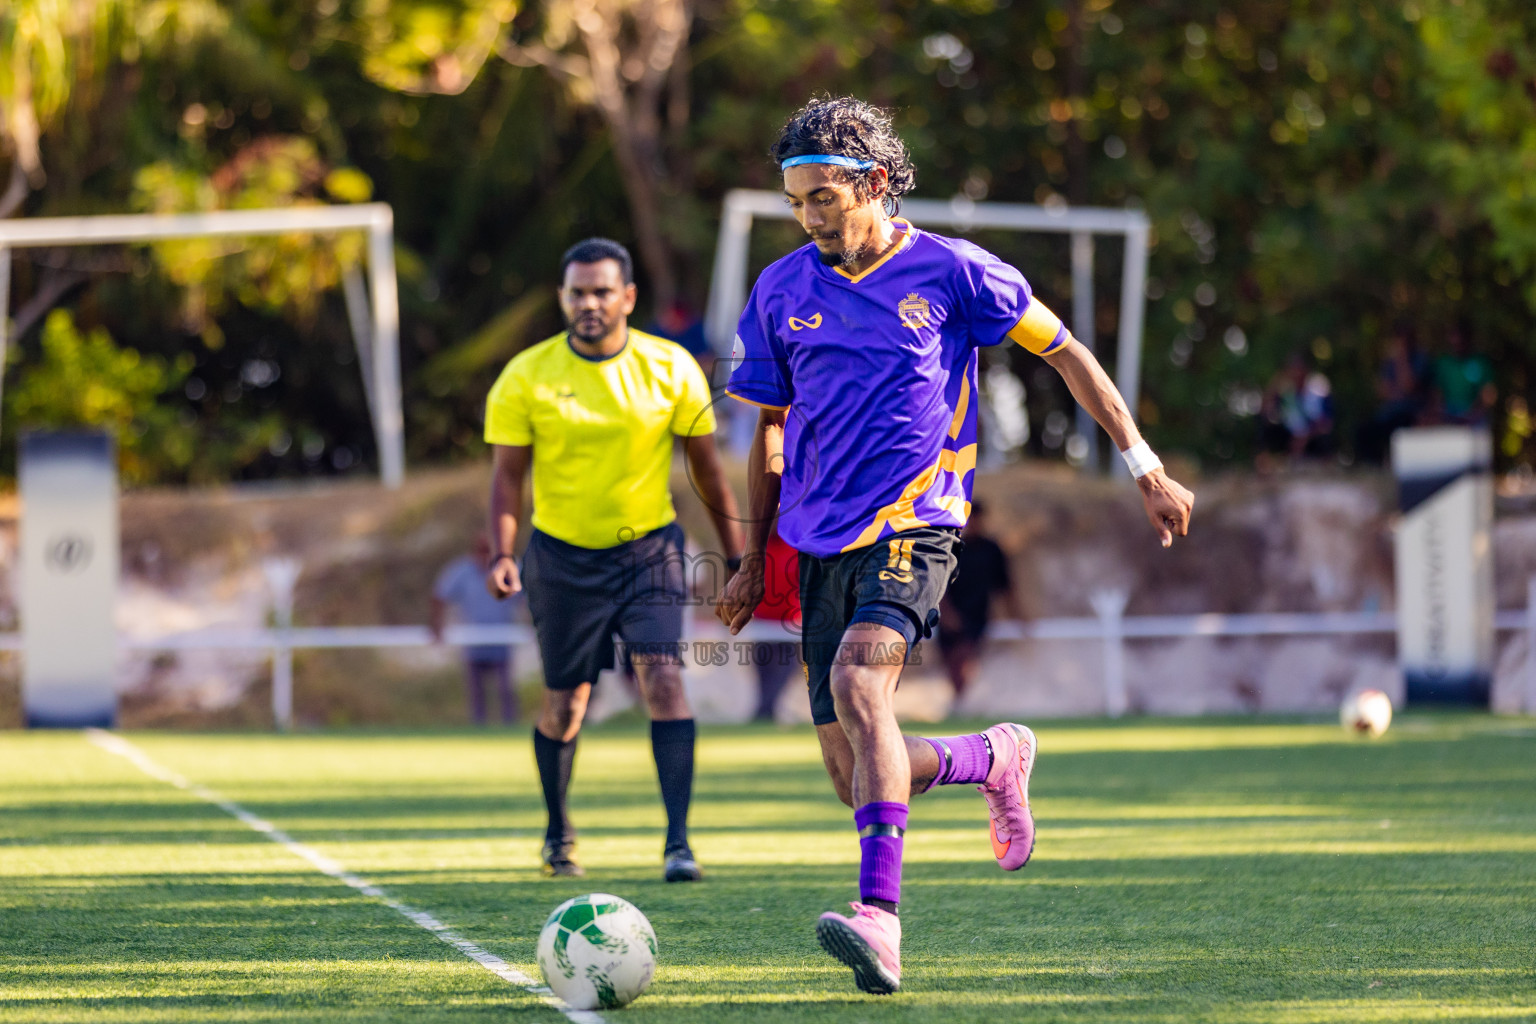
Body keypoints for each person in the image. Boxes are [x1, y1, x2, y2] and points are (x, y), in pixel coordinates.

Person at [715, 97, 1194, 995]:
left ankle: (880, 923)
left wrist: (1144, 467)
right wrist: (752, 554)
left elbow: (1067, 354)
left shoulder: (956, 272)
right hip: (815, 539)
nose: (812, 216)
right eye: (798, 202)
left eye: (826, 197)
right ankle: (988, 757)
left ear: (877, 184)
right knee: (850, 769)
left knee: (863, 685)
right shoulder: (780, 290)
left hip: (919, 524)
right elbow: (771, 431)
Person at [484, 237, 744, 881]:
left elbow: (708, 472)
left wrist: (740, 556)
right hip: (561, 560)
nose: (589, 303)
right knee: (565, 705)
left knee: (663, 679)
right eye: (577, 293)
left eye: (602, 291)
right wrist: (501, 551)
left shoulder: (672, 367)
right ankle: (557, 832)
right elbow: (506, 478)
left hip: (649, 552)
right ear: (563, 299)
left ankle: (678, 843)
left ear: (628, 297)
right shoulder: (526, 375)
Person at [431, 533, 520, 725]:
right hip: (473, 644)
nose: (484, 556)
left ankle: (510, 727)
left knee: (506, 689)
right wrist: (437, 625)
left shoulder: (510, 568)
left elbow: (530, 595)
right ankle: (479, 730)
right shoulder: (462, 570)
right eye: (481, 551)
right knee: (476, 692)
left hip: (502, 643)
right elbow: (440, 595)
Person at [936, 500, 1021, 700]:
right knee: (953, 664)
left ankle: (962, 703)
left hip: (977, 616)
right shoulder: (951, 548)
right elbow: (939, 586)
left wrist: (1016, 615)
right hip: (951, 617)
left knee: (966, 661)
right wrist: (946, 614)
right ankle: (960, 703)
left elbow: (1004, 586)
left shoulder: (991, 550)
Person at [749, 528, 802, 722]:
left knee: (785, 667)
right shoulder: (758, 547)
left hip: (788, 623)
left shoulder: (796, 547)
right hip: (762, 621)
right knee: (764, 669)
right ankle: (765, 708)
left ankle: (767, 709)